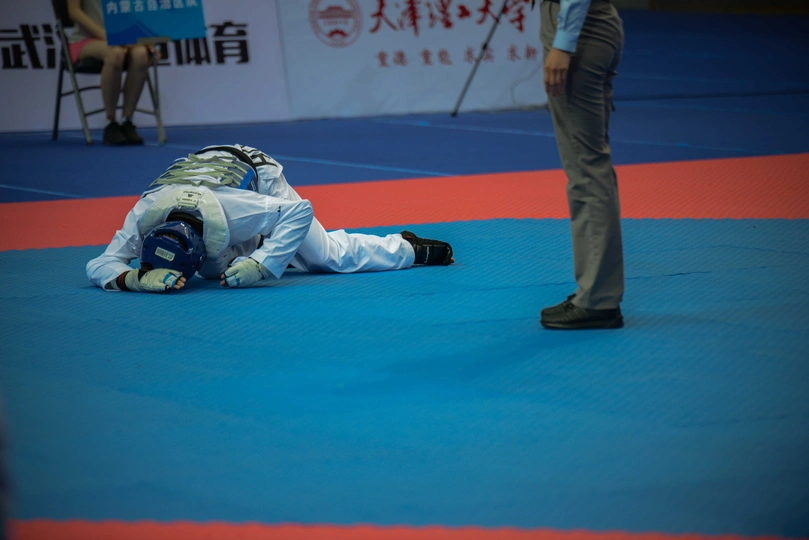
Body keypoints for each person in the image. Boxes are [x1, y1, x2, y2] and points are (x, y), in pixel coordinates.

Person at [86, 144, 454, 292]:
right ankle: (272, 245)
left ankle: (408, 248)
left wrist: (262, 265)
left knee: (324, 257)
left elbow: (300, 211)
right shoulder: (143, 217)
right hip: (204, 171)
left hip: (255, 172)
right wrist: (134, 278)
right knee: (216, 272)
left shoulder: (235, 211)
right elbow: (99, 264)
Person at [537, 0, 625, 329]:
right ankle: (593, 291)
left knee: (586, 168)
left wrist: (563, 44)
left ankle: (598, 298)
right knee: (588, 164)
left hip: (577, 29)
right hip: (587, 26)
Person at [67, 0, 154, 146]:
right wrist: (107, 36)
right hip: (86, 39)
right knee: (115, 54)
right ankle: (110, 122)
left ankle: (127, 120)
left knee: (141, 54)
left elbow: (134, 11)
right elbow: (74, 11)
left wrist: (147, 40)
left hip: (121, 37)